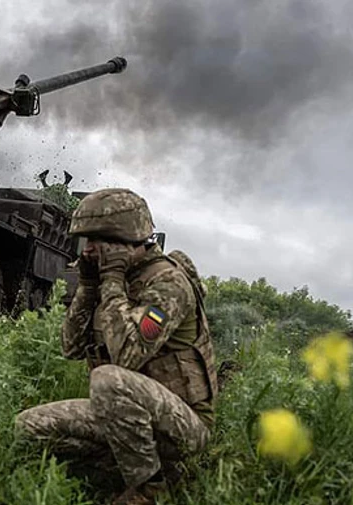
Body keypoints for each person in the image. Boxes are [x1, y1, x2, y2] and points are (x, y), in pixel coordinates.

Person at [15, 188, 217, 505]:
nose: (90, 250)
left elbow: (127, 356)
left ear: (128, 239)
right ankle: (127, 462)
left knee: (107, 378)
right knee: (29, 427)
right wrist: (88, 286)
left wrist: (110, 280)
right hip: (128, 415)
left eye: (98, 241)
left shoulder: (167, 284)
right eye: (86, 242)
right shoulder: (112, 278)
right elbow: (71, 347)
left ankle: (151, 489)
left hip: (182, 426)